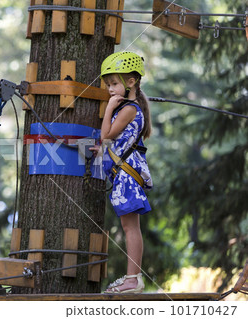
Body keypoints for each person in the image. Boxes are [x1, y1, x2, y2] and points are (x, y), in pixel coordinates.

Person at [90, 51, 153, 294]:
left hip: (127, 176)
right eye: (108, 85)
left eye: (114, 84)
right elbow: (115, 140)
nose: (110, 89)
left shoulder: (128, 108)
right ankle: (132, 277)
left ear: (131, 82)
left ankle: (133, 279)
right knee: (129, 226)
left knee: (130, 227)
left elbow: (107, 134)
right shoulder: (128, 108)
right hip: (122, 174)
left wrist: (108, 110)